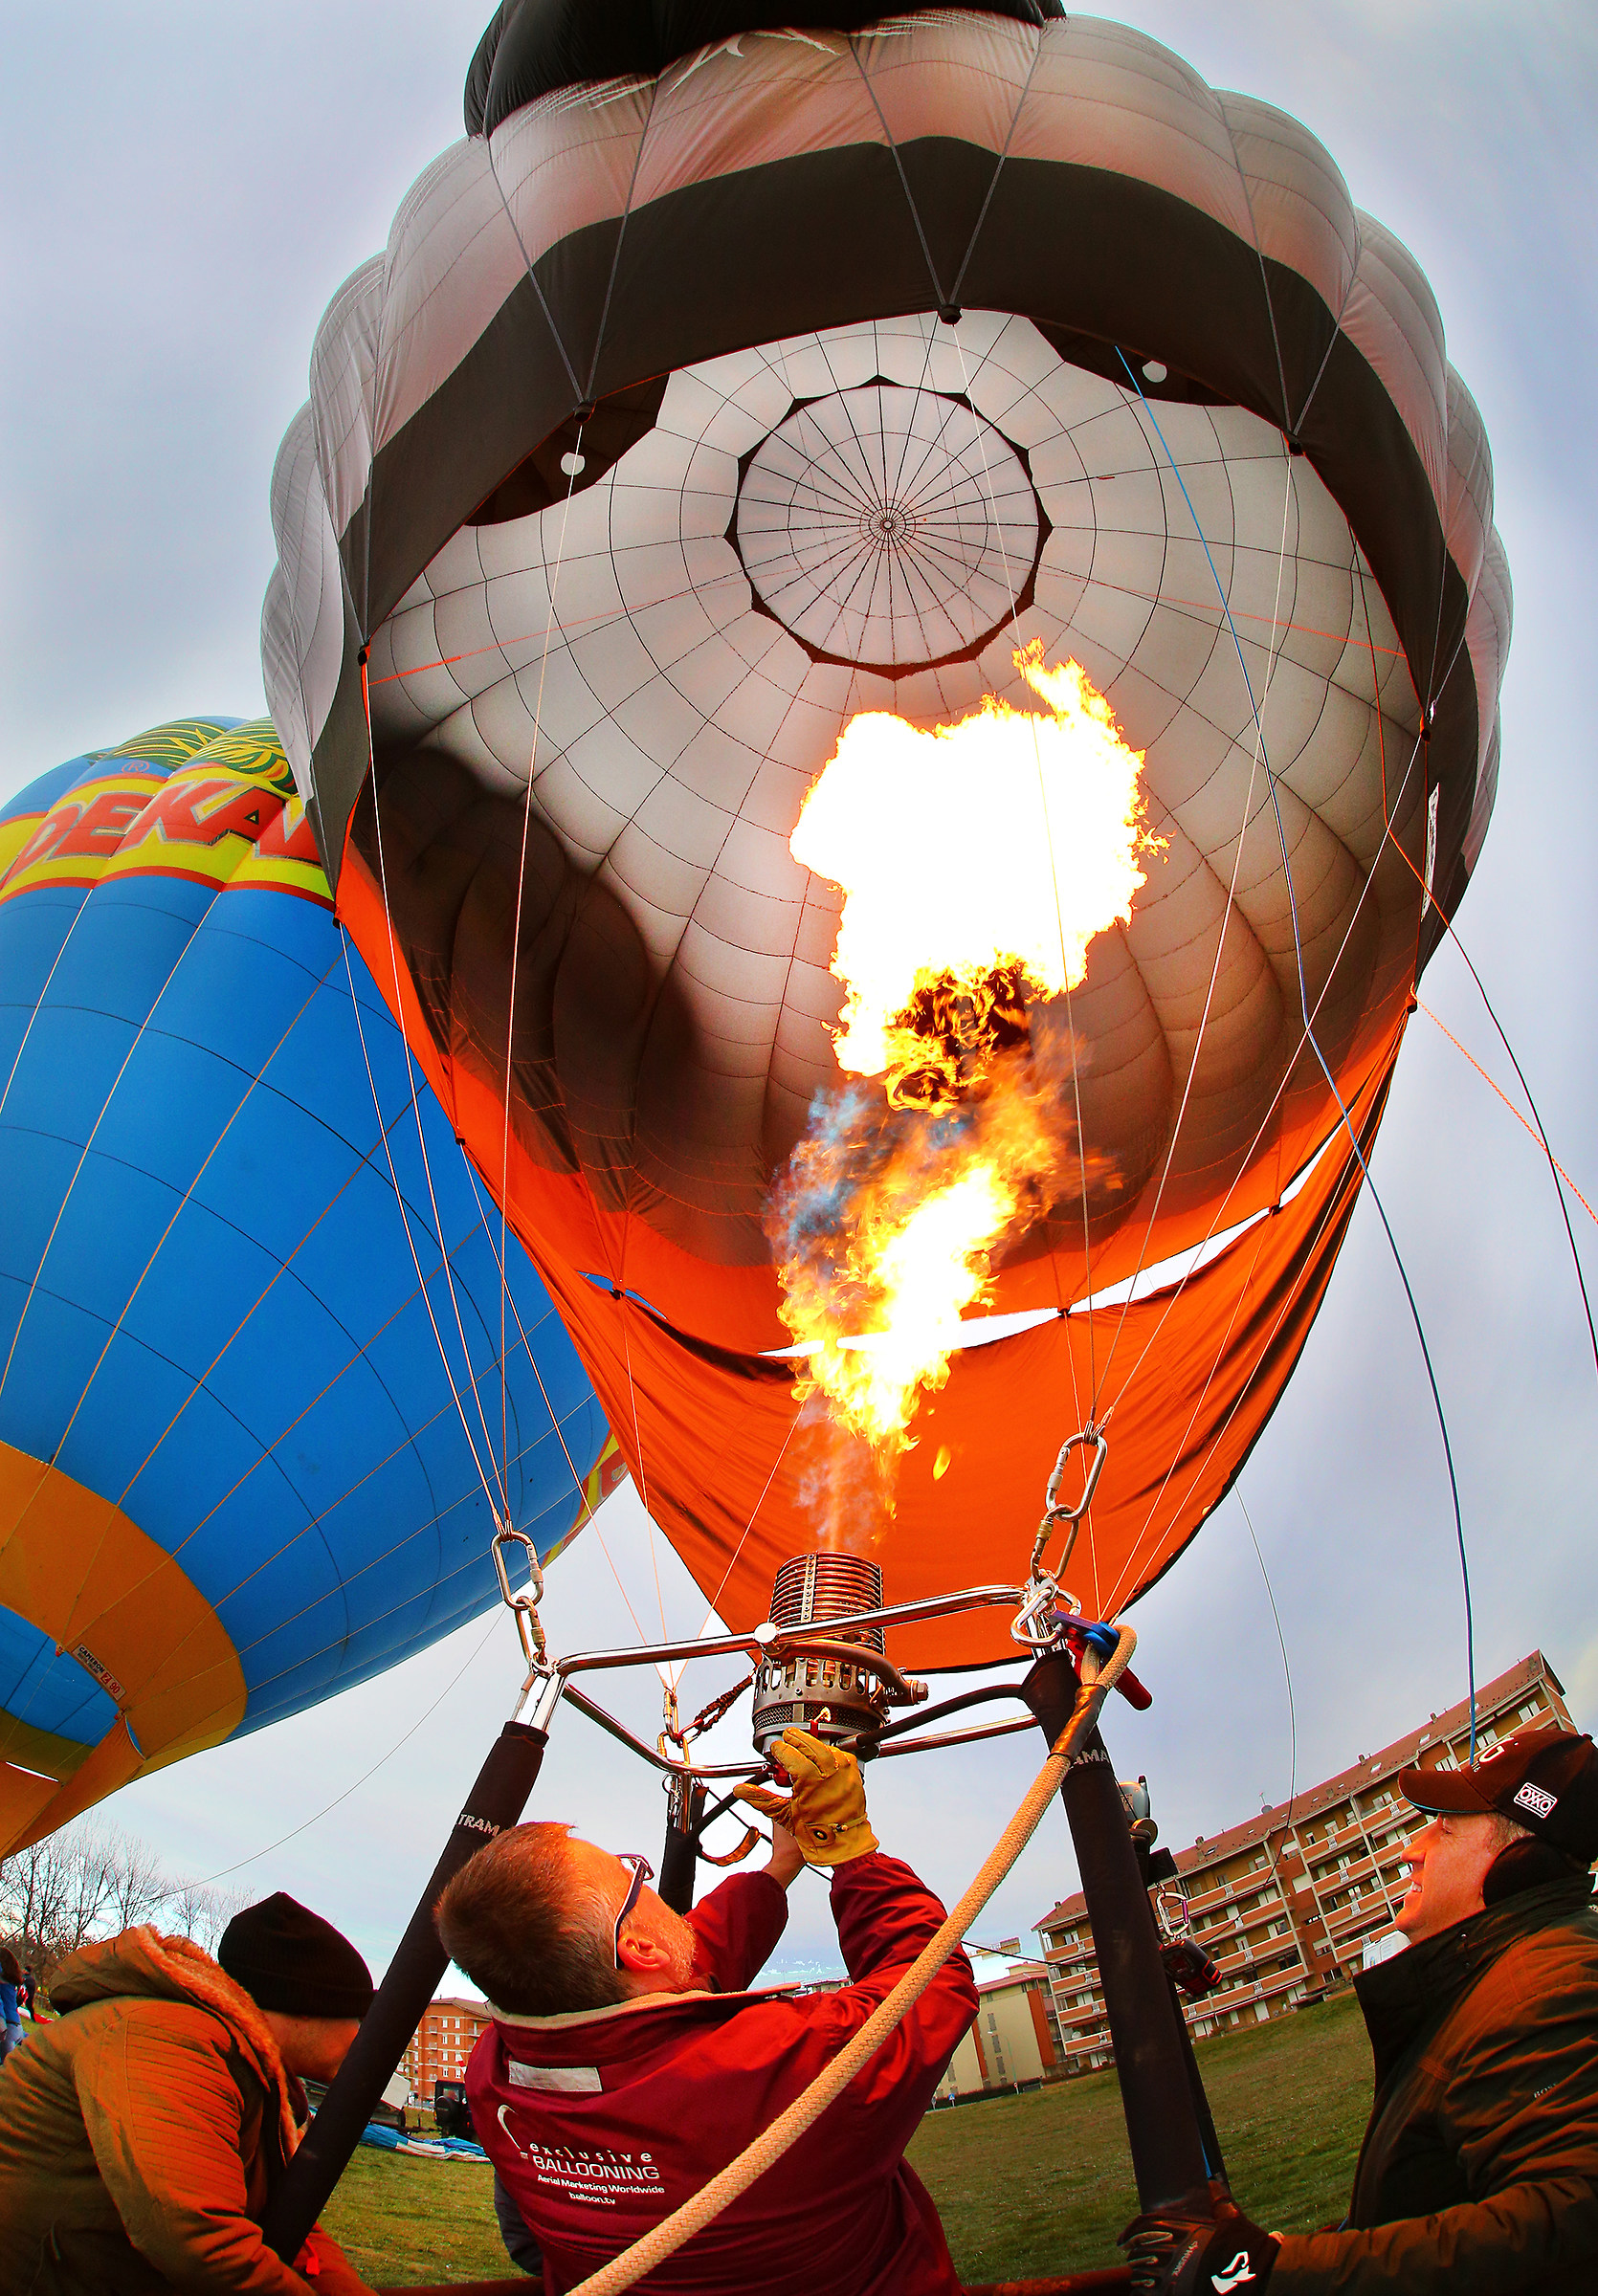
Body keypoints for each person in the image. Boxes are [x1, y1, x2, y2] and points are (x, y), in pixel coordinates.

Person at [437, 1727, 977, 2296]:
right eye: (633, 1880)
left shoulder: (494, 2073)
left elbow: (673, 1969)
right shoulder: (793, 2068)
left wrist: (779, 1869)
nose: (644, 1882)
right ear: (637, 1946)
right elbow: (931, 1983)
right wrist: (852, 1851)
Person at [1122, 1721, 1598, 2294]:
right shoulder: (1506, 1974)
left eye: (1444, 1828)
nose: (1411, 1849)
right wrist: (1299, 2249)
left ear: (1518, 1862)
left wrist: (1278, 2273)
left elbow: (1566, 2225)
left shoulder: (1542, 1989)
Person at [0, 1890, 378, 2293]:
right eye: (358, 2017)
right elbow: (197, 2237)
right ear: (307, 2006)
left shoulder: (245, 2066)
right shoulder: (169, 2040)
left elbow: (288, 2212)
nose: (364, 2037)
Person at [0, 1949, 22, 2062]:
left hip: (7, 2027)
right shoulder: (11, 1980)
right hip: (17, 2026)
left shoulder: (1, 1977)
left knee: (5, 2069)